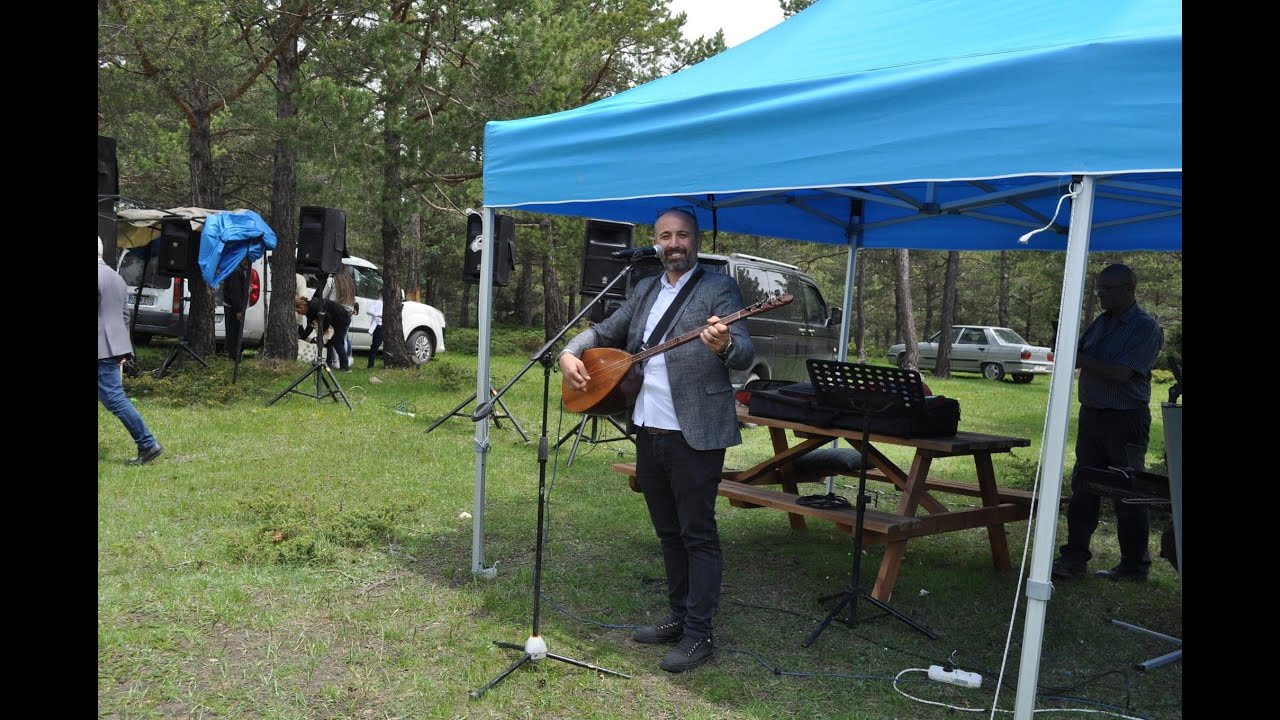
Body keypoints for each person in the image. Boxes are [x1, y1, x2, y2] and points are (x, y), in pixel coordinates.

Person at [560, 207, 754, 673]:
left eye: (682, 235)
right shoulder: (645, 289)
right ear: (655, 242)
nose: (674, 243)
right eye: (666, 236)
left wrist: (723, 344)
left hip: (696, 433)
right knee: (668, 533)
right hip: (648, 428)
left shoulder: (718, 288)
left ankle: (699, 633)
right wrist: (570, 352)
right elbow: (605, 331)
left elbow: (745, 352)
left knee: (697, 533)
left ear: (696, 240)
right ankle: (679, 616)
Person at [1052, 263, 1164, 582]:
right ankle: (1073, 559)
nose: (1100, 295)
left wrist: (1079, 359)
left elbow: (1122, 373)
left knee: (1127, 490)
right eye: (1098, 289)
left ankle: (1133, 566)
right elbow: (1081, 356)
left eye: (1107, 289)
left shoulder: (1145, 328)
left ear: (1130, 288)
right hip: (1093, 416)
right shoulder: (1101, 323)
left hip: (1125, 419)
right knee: (1084, 487)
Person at [98, 236, 163, 465]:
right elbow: (124, 316)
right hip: (113, 346)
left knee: (115, 399)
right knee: (114, 398)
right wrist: (122, 347)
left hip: (101, 349)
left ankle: (147, 443)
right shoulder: (116, 277)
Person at [295, 294, 352, 372]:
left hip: (342, 318)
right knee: (329, 343)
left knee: (337, 342)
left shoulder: (314, 306)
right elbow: (309, 327)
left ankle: (345, 367)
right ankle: (328, 363)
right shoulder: (309, 311)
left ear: (302, 307)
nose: (299, 314)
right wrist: (300, 339)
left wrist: (322, 333)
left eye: (298, 311)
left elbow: (327, 318)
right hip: (335, 319)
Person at [223, 255, 251, 361]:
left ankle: (233, 354)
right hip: (233, 307)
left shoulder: (236, 269)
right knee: (233, 332)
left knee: (233, 331)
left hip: (233, 305)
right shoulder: (236, 271)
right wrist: (238, 310)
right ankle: (233, 356)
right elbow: (235, 293)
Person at [366, 295, 385, 369]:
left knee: (376, 346)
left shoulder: (387, 304)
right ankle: (370, 365)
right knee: (375, 346)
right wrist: (378, 315)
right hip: (378, 326)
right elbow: (368, 311)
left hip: (384, 326)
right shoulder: (377, 302)